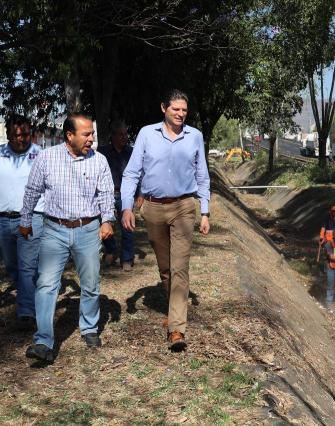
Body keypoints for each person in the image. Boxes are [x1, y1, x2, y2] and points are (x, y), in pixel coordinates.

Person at [20, 113, 115, 362]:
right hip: (54, 229)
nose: (91, 139)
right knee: (46, 285)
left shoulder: (99, 161)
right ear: (69, 135)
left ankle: (89, 327)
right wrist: (25, 221)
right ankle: (43, 341)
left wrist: (107, 221)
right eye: (86, 134)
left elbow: (106, 194)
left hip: (88, 230)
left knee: (91, 283)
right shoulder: (47, 158)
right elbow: (32, 191)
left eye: (92, 134)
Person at [121, 89, 210, 352]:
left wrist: (205, 211)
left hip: (183, 206)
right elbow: (132, 173)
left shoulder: (195, 136)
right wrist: (127, 207)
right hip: (153, 208)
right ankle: (174, 310)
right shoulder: (147, 134)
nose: (181, 114)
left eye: (184, 110)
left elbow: (202, 175)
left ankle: (177, 329)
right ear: (164, 108)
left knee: (180, 267)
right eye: (176, 110)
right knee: (166, 268)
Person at [0, 114, 45, 330]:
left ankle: (26, 312)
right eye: (16, 135)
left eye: (25, 134)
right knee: (12, 265)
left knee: (28, 266)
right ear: (8, 134)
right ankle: (27, 297)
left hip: (32, 217)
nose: (21, 138)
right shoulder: (0, 154)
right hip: (3, 220)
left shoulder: (40, 156)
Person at [97, 120, 140, 271]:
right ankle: (111, 250)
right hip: (106, 194)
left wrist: (139, 195)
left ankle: (127, 258)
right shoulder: (102, 152)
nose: (124, 137)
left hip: (125, 195)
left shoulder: (132, 152)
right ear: (113, 136)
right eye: (120, 134)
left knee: (127, 226)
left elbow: (138, 174)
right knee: (103, 222)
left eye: (125, 134)